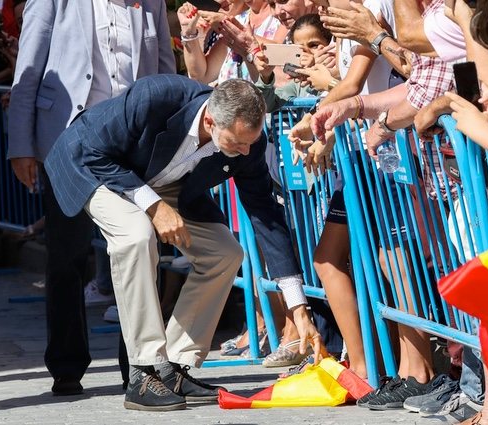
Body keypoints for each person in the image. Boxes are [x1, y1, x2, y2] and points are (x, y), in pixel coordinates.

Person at [43, 75, 322, 411]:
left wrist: (298, 305)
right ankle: (143, 371)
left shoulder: (248, 141)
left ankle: (172, 367)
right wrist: (154, 206)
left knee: (225, 252)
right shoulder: (155, 97)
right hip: (92, 165)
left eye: (251, 142)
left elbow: (266, 216)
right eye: (236, 143)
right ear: (210, 121)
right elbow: (95, 152)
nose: (246, 152)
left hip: (157, 178)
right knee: (136, 235)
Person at [7, 0, 176, 396]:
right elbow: (27, 73)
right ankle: (66, 364)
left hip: (131, 146)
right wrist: (21, 146)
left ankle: (138, 365)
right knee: (67, 254)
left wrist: (166, 143)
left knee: (139, 248)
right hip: (67, 142)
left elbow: (165, 72)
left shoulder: (150, 3)